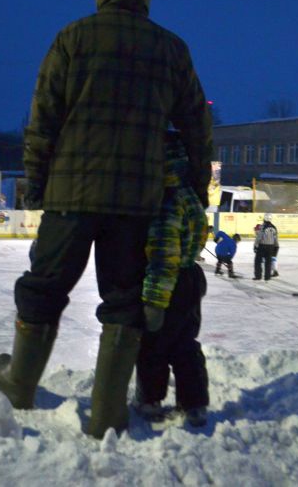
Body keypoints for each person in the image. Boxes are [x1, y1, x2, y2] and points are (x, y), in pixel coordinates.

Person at [0, 0, 213, 440]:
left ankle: (19, 383)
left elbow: (42, 120)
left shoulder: (72, 38)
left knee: (44, 287)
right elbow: (198, 127)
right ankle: (106, 415)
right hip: (137, 203)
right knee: (124, 301)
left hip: (71, 196)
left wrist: (37, 187)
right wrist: (194, 192)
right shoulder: (171, 49)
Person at [133, 132, 210, 427]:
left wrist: (154, 303)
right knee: (185, 344)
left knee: (154, 346)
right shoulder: (189, 193)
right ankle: (195, 403)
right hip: (190, 278)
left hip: (170, 286)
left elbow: (164, 258)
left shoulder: (166, 202)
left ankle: (150, 400)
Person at [253, 214, 279, 281]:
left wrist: (255, 245)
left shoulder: (263, 227)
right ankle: (267, 277)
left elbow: (259, 237)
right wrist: (276, 246)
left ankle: (258, 276)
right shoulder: (274, 227)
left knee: (257, 261)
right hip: (271, 246)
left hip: (262, 246)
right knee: (268, 262)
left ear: (264, 219)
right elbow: (275, 238)